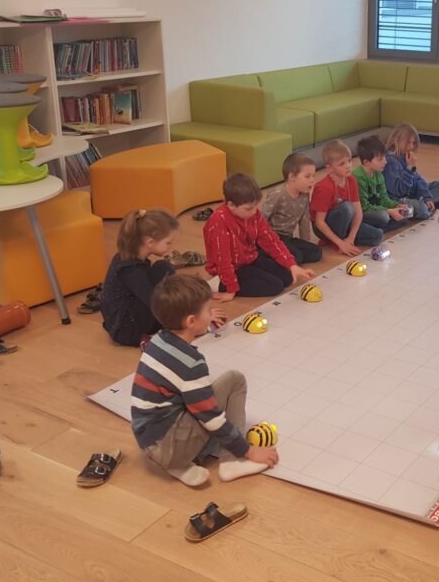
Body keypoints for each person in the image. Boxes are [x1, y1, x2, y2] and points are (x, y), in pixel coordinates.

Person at [131, 275, 280, 487]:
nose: (211, 314)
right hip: (170, 446)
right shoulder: (191, 363)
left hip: (148, 442)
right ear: (191, 321)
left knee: (196, 397)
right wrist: (247, 450)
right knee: (234, 380)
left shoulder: (156, 342)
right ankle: (232, 462)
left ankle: (178, 465)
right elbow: (210, 417)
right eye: (208, 311)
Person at [203, 172, 315, 299]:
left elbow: (271, 240)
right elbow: (222, 258)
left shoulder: (254, 214)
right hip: (232, 268)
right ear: (231, 205)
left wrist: (292, 265)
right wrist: (231, 289)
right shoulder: (219, 221)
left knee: (287, 277)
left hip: (249, 258)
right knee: (275, 286)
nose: (254, 211)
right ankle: (218, 284)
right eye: (248, 208)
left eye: (256, 206)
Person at [100, 208, 178, 346]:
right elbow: (155, 303)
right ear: (150, 242)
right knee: (164, 271)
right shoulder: (131, 271)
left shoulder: (127, 257)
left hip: (126, 316)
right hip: (127, 331)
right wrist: (190, 319)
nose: (170, 247)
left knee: (163, 268)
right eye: (168, 242)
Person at [310, 140, 383, 254]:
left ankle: (344, 240)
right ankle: (335, 241)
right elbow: (319, 222)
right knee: (347, 207)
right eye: (341, 164)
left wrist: (351, 237)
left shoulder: (351, 180)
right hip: (324, 226)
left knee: (377, 236)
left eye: (349, 161)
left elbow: (358, 213)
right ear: (329, 168)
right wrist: (340, 243)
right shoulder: (324, 187)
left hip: (346, 221)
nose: (348, 166)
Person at [261, 152, 323, 265]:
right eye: (307, 176)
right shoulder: (278, 194)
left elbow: (304, 221)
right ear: (292, 177)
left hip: (287, 238)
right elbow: (262, 219)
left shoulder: (304, 194)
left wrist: (305, 244)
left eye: (313, 176)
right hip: (272, 237)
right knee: (297, 257)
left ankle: (285, 255)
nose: (312, 180)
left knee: (316, 252)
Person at [382, 122, 439, 220]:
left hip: (411, 194)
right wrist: (409, 168)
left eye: (414, 143)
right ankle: (426, 206)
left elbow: (418, 180)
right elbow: (398, 191)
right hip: (398, 199)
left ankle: (426, 203)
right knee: (422, 210)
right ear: (397, 141)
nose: (411, 146)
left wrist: (426, 197)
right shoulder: (391, 161)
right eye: (408, 142)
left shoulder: (405, 157)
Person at [353, 135, 410, 233]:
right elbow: (364, 207)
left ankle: (376, 229)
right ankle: (367, 229)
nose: (385, 162)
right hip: (361, 213)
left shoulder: (378, 174)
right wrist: (388, 211)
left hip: (375, 210)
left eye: (384, 157)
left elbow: (384, 198)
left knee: (404, 214)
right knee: (384, 216)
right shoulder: (358, 177)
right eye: (380, 159)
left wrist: (396, 205)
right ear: (366, 162)